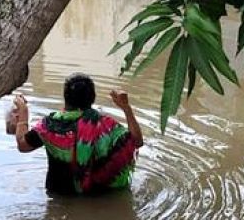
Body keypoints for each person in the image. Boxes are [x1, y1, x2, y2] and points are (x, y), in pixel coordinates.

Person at [10, 73, 144, 196]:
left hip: (60, 196)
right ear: (92, 98)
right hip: (98, 196)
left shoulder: (51, 126)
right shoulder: (105, 125)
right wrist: (126, 108)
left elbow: (23, 145)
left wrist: (23, 113)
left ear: (65, 98)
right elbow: (137, 141)